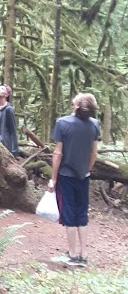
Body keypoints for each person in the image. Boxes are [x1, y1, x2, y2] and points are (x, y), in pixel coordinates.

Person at [48, 92, 99, 267]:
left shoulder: (62, 123)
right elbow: (93, 153)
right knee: (81, 213)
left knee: (68, 212)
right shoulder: (94, 125)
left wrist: (53, 179)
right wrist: (87, 170)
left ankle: (72, 254)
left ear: (76, 106)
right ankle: (84, 255)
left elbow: (57, 153)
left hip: (66, 176)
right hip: (83, 176)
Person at [0, 84, 19, 159]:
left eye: (2, 89)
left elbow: (13, 130)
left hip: (5, 144)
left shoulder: (9, 109)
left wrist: (15, 151)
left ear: (7, 94)